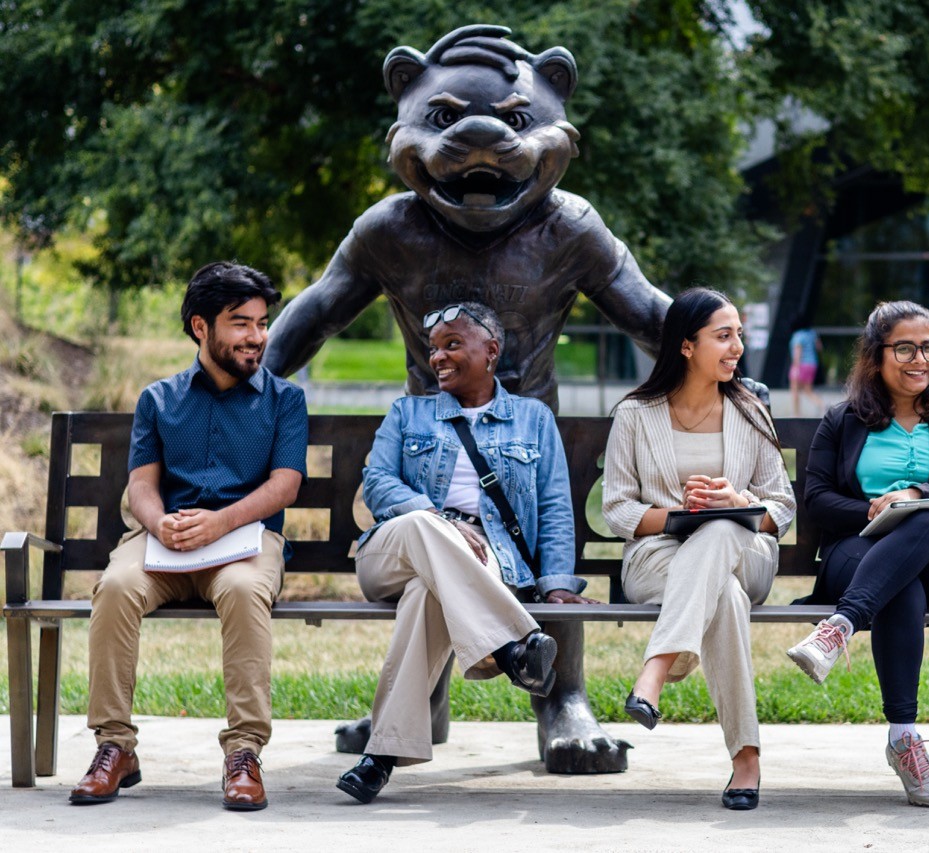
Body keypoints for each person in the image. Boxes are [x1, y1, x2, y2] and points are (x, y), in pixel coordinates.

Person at [70, 263, 308, 810]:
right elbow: (141, 487)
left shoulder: (284, 400)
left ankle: (244, 753)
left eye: (261, 322)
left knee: (247, 592)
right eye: (240, 323)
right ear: (201, 327)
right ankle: (114, 747)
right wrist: (160, 524)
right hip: (165, 545)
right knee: (115, 586)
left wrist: (220, 522)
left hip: (245, 544)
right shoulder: (159, 399)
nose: (256, 337)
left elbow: (285, 485)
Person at [336, 301, 593, 804]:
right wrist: (441, 521)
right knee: (423, 531)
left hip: (481, 562)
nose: (437, 358)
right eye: (434, 349)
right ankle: (508, 647)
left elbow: (556, 506)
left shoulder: (532, 419)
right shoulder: (408, 412)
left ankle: (380, 758)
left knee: (426, 596)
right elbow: (378, 484)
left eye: (452, 345)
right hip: (394, 547)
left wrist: (557, 583)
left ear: (491, 351)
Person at [784, 300, 929, 808]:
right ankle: (905, 741)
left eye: (928, 347)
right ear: (876, 355)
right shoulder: (844, 420)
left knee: (923, 519)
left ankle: (839, 628)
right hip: (857, 555)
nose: (919, 358)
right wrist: (877, 512)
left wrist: (916, 497)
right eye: (905, 347)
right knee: (901, 584)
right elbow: (815, 500)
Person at [602, 287, 796, 811]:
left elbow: (782, 506)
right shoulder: (636, 415)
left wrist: (737, 501)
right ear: (686, 346)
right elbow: (617, 509)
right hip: (658, 559)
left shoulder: (750, 410)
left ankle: (656, 670)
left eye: (738, 335)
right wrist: (679, 517)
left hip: (744, 550)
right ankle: (746, 759)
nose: (737, 347)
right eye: (723, 336)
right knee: (725, 599)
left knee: (724, 527)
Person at [788, 320, 824, 416]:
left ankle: (796, 414)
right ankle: (821, 404)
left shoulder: (798, 335)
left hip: (801, 365)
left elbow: (797, 352)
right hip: (812, 365)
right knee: (807, 390)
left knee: (795, 389)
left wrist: (796, 367)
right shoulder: (812, 334)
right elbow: (819, 347)